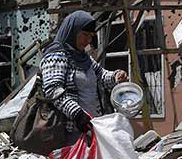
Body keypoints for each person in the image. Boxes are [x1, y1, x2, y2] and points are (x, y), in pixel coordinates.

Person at [41, 10, 128, 145]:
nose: (87, 41)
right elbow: (53, 90)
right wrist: (77, 114)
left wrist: (116, 76)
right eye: (84, 35)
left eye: (90, 36)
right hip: (71, 130)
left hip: (92, 126)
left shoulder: (83, 57)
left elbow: (101, 75)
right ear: (73, 31)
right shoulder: (57, 55)